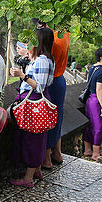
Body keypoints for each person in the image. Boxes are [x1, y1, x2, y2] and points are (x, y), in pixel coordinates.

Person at [8, 27, 55, 187]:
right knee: (36, 138)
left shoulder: (42, 60)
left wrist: (22, 75)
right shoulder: (45, 59)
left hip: (34, 103)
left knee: (32, 140)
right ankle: (36, 170)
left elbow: (39, 86)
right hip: (35, 103)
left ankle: (28, 178)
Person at [38, 19, 70, 170]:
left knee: (48, 119)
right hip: (60, 80)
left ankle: (46, 159)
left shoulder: (53, 41)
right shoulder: (65, 34)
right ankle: (57, 153)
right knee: (58, 117)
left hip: (51, 81)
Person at [82, 48, 102, 162]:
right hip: (97, 101)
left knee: (90, 126)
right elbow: (99, 90)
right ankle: (96, 154)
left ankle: (88, 150)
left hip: (90, 100)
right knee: (99, 127)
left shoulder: (93, 68)